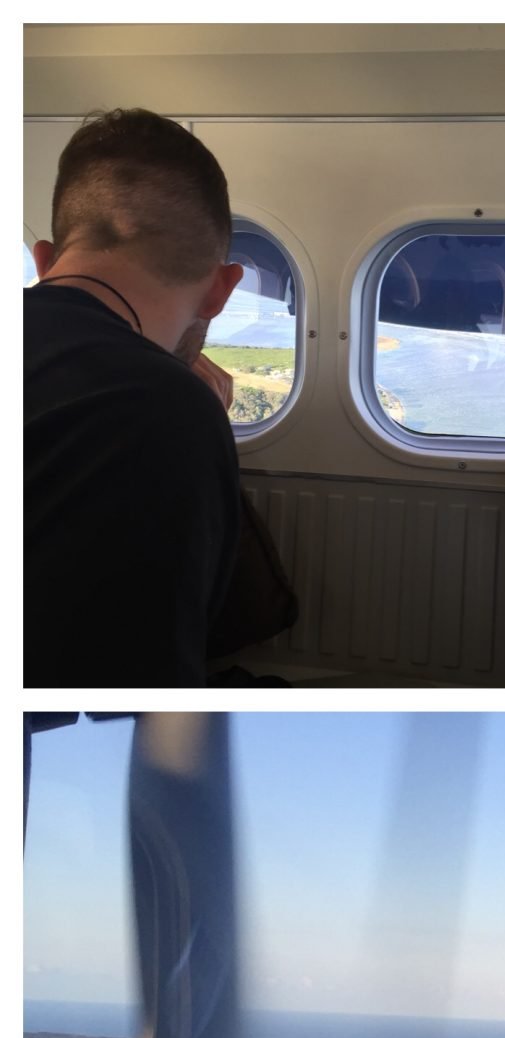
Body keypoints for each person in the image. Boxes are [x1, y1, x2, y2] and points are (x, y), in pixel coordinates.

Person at [25, 108, 247, 686]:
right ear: (220, 291)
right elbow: (139, 692)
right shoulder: (166, 413)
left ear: (45, 260)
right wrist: (187, 411)